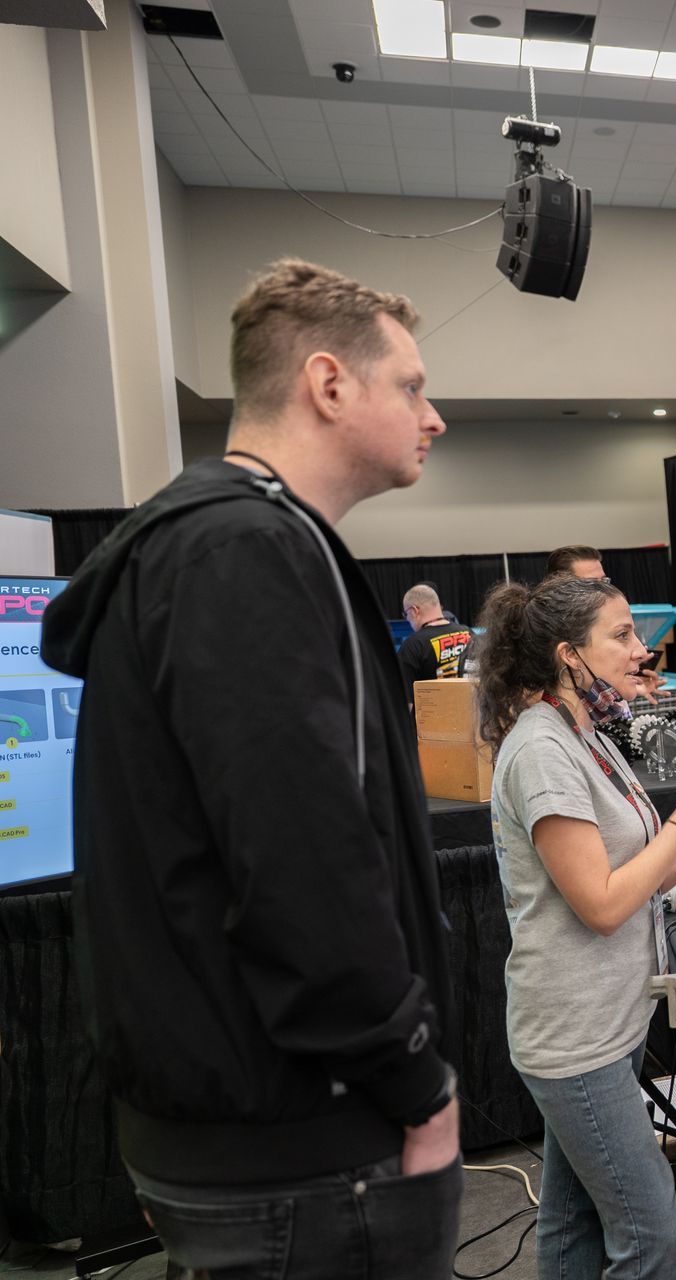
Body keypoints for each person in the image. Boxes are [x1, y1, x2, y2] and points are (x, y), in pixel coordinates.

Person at [39, 258, 464, 1274]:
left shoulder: (232, 545)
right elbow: (302, 864)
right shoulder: (242, 552)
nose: (432, 415)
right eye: (410, 385)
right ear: (327, 384)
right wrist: (420, 1084)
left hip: (262, 1134)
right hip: (302, 1152)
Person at [478, 573, 676, 1279]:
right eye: (623, 635)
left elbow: (632, 872)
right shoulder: (542, 750)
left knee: (572, 1226)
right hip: (578, 1040)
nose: (642, 649)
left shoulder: (584, 733)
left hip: (606, 1026)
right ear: (571, 655)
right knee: (652, 1229)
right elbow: (598, 903)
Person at [398, 582, 474, 694]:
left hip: (435, 711)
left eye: (406, 614)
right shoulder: (468, 633)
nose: (407, 619)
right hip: (472, 709)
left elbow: (408, 703)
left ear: (414, 610)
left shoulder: (411, 646)